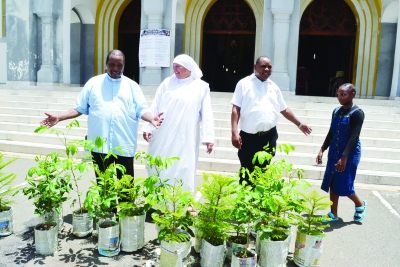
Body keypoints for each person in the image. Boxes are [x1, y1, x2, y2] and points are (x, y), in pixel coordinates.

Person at [40, 49, 163, 177]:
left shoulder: (132, 86)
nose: (115, 68)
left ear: (124, 65)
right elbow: (79, 108)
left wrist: (151, 119)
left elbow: (141, 109)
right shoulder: (93, 84)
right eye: (111, 64)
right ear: (106, 63)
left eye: (119, 65)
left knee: (126, 191)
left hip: (123, 145)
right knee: (104, 190)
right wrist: (59, 117)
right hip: (100, 147)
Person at [231, 56, 312, 183]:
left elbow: (284, 109)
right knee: (247, 171)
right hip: (248, 138)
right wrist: (234, 132)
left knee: (263, 172)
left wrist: (300, 124)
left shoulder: (274, 87)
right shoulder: (244, 84)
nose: (267, 69)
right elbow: (236, 108)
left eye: (269, 67)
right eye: (263, 66)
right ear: (255, 67)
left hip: (268, 137)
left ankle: (260, 202)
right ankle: (245, 202)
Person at [142, 54, 214, 193]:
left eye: (178, 66)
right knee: (159, 163)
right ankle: (160, 199)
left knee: (184, 166)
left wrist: (209, 138)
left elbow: (207, 113)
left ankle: (183, 201)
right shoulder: (167, 83)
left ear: (188, 68)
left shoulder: (201, 87)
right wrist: (148, 127)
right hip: (163, 133)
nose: (175, 69)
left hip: (186, 135)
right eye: (173, 66)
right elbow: (155, 106)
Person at [317, 83, 367, 222]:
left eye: (343, 94)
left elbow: (354, 137)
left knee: (345, 183)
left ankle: (360, 204)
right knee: (332, 181)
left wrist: (344, 157)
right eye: (338, 94)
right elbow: (331, 133)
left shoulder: (358, 113)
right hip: (335, 150)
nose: (339, 97)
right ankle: (333, 214)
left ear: (352, 95)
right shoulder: (336, 111)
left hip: (349, 153)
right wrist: (322, 149)